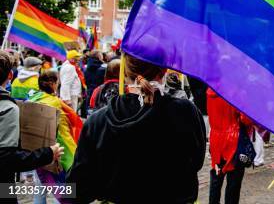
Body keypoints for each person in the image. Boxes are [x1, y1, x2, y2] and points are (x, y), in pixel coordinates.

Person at [67, 54, 206, 203]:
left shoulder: (97, 122)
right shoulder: (186, 112)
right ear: (164, 71)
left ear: (125, 73)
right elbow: (196, 162)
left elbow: (78, 188)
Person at [0, 50, 64, 204]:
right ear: (9, 75)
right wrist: (47, 153)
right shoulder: (8, 107)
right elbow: (6, 158)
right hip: (27, 134)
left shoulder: (15, 84)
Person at [29, 71, 83, 203]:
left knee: (41, 186)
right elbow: (76, 122)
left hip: (37, 153)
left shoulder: (31, 100)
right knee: (64, 191)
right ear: (53, 84)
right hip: (60, 153)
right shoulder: (57, 103)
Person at [208, 88, 252, 204]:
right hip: (233, 141)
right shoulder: (237, 92)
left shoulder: (209, 90)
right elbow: (246, 119)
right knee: (233, 184)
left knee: (216, 178)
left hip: (216, 140)